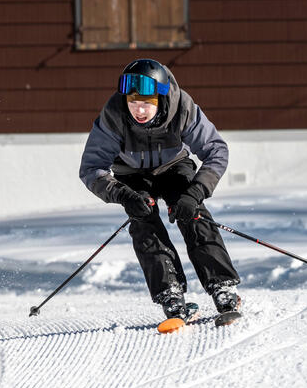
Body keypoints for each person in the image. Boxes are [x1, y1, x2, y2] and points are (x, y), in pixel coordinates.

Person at [79, 58, 241, 321]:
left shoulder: (182, 108)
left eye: (146, 103)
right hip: (130, 173)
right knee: (144, 222)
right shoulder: (113, 115)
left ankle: (222, 286)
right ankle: (171, 293)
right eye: (133, 103)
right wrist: (123, 194)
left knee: (194, 214)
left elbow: (216, 150)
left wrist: (196, 191)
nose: (139, 111)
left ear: (161, 98)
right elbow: (91, 168)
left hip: (174, 166)